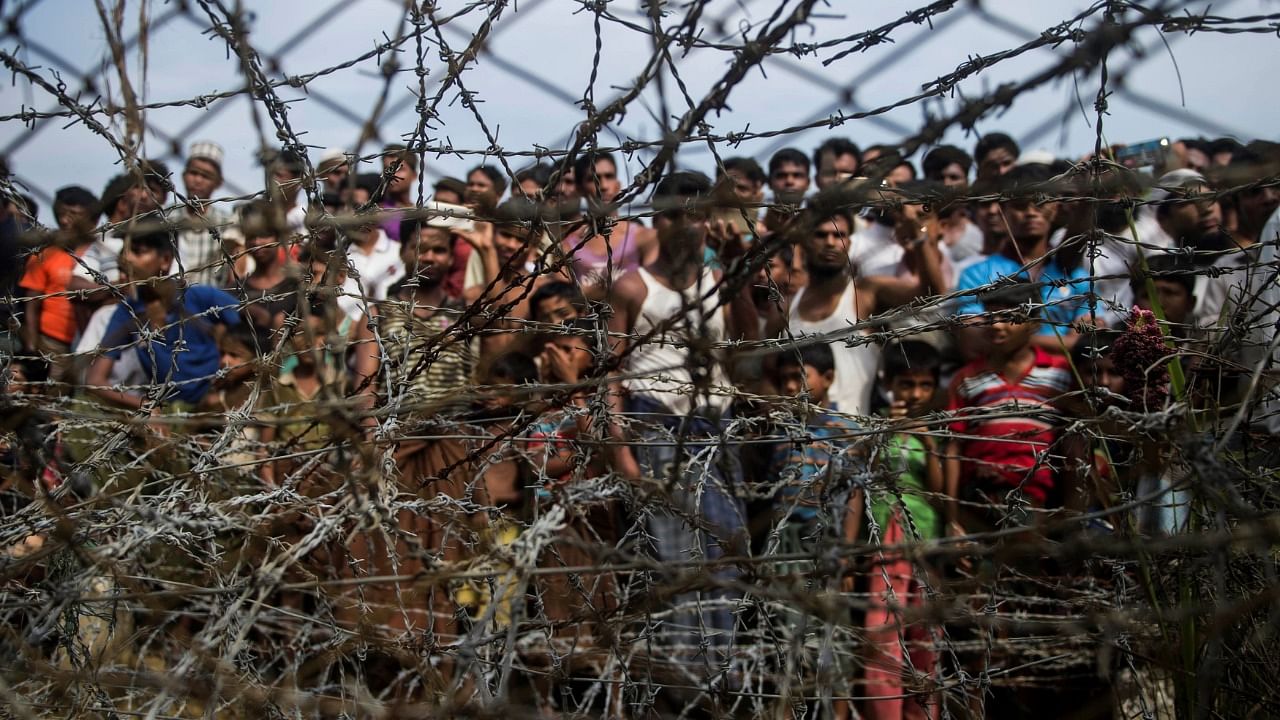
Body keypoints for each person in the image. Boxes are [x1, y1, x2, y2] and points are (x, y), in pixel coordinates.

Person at [605, 170, 758, 662]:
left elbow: (749, 345)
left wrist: (740, 273)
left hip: (716, 426)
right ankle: (684, 673)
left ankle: (723, 668)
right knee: (677, 554)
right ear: (658, 221)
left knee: (726, 548)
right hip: (657, 428)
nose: (689, 225)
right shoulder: (633, 288)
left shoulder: (717, 281)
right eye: (676, 215)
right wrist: (619, 448)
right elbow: (609, 374)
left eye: (698, 214)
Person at [772, 200, 946, 417]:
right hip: (797, 436)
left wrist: (918, 236)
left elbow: (931, 293)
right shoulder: (788, 307)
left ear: (850, 244)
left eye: (839, 236)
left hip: (853, 437)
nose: (830, 243)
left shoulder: (865, 293)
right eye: (820, 235)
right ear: (805, 242)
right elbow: (767, 373)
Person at [849, 339, 945, 720]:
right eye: (907, 384)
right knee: (882, 635)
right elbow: (859, 482)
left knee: (924, 639)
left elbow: (941, 492)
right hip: (883, 546)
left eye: (924, 385)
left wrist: (924, 436)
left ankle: (921, 713)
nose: (916, 393)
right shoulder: (876, 427)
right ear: (889, 382)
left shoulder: (937, 430)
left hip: (924, 541)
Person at [944, 282, 1074, 533]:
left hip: (1034, 493)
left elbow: (1073, 440)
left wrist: (1071, 509)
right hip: (978, 492)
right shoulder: (968, 378)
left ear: (1033, 324)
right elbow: (952, 446)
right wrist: (953, 518)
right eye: (990, 316)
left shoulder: (1060, 374)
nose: (996, 325)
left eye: (1009, 317)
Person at [85, 229, 242, 411]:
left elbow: (254, 328)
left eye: (138, 251)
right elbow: (95, 381)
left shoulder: (198, 296)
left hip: (217, 399)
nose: (127, 259)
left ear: (165, 260)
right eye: (125, 252)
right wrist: (145, 406)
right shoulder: (129, 311)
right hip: (170, 408)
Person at [953, 164, 1092, 357]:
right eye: (1020, 206)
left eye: (1040, 203)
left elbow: (1086, 344)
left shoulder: (1077, 275)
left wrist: (1011, 337)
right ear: (1003, 211)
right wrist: (1066, 344)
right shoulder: (977, 273)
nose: (1030, 212)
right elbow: (973, 340)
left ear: (1055, 206)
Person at [374, 215, 477, 412]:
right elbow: (366, 391)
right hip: (398, 433)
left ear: (451, 258)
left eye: (439, 250)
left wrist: (486, 248)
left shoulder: (463, 314)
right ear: (403, 252)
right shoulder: (379, 313)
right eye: (420, 248)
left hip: (452, 433)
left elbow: (504, 326)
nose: (429, 257)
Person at [561, 151, 655, 293]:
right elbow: (564, 298)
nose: (603, 186)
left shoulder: (643, 237)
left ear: (618, 184)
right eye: (594, 179)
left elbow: (652, 289)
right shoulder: (568, 245)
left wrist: (589, 291)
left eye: (609, 177)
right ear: (580, 189)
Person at [171, 141, 238, 286]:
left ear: (218, 183)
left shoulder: (227, 224)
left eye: (206, 176)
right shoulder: (167, 219)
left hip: (212, 303)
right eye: (193, 173)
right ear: (184, 175)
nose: (198, 180)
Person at [379, 144, 421, 242]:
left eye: (399, 169)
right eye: (387, 169)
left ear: (414, 175)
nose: (392, 174)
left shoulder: (420, 214)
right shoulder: (376, 212)